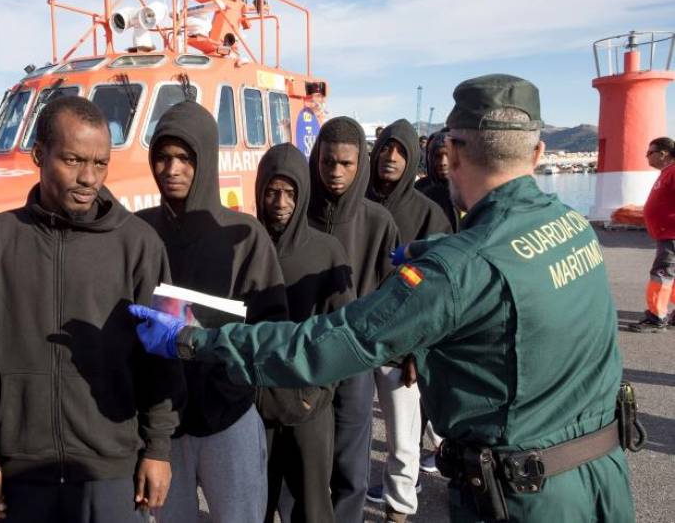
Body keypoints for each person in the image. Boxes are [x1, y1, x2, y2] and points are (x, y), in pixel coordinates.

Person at [132, 74, 636, 522]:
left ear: (453, 153)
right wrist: (439, 249)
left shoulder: (459, 269)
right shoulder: (571, 226)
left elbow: (328, 344)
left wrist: (193, 341)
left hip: (529, 498)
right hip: (604, 479)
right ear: (538, 152)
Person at [0, 96, 183, 523]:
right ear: (40, 155)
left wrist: (158, 448)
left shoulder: (140, 244)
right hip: (20, 472)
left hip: (113, 472)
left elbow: (162, 357)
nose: (88, 178)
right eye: (74, 160)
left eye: (100, 163)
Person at [137, 101, 288, 523]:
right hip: (162, 426)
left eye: (185, 157)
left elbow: (273, 325)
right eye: (163, 157)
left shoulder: (246, 237)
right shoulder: (138, 232)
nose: (172, 168)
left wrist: (232, 380)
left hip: (229, 414)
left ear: (205, 158)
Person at [253, 143, 355, 523]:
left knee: (313, 508)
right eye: (272, 191)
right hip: (256, 408)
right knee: (253, 505)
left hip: (311, 408)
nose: (280, 202)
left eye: (291, 193)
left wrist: (318, 394)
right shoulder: (246, 245)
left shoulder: (328, 251)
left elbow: (343, 334)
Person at [306, 116, 400, 522]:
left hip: (356, 363)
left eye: (346, 164)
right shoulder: (298, 214)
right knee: (307, 463)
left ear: (360, 163)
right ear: (317, 159)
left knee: (351, 467)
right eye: (328, 162)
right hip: (304, 359)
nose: (336, 173)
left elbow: (396, 292)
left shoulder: (379, 222)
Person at [365, 119, 452, 522]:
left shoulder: (429, 212)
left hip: (402, 348)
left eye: (400, 151)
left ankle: (399, 509)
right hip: (354, 340)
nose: (391, 157)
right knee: (351, 433)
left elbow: (438, 292)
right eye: (385, 148)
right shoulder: (355, 202)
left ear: (412, 157)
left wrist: (421, 347)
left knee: (403, 439)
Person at [628, 136, 675, 332]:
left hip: (671, 235)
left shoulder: (672, 172)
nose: (646, 157)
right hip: (667, 235)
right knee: (670, 276)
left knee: (661, 275)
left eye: (650, 153)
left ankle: (656, 317)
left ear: (663, 154)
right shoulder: (667, 172)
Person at [416, 130, 462, 231]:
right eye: (438, 156)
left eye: (448, 155)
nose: (443, 162)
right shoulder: (419, 191)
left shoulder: (468, 193)